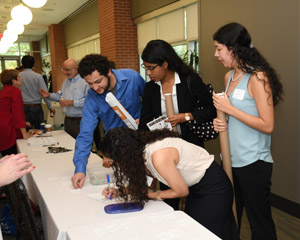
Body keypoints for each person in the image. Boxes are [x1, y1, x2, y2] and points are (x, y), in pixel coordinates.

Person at [101, 127, 238, 240]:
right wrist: (119, 191)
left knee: (207, 233)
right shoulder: (143, 151)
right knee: (194, 230)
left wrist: (155, 195)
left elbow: (181, 191)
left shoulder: (158, 156)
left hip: (213, 189)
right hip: (197, 188)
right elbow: (143, 186)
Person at [212, 22, 283, 240]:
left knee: (259, 224)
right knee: (231, 217)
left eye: (219, 49)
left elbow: (267, 125)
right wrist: (222, 122)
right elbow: (235, 117)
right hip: (230, 160)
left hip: (253, 163)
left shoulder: (258, 77)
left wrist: (230, 109)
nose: (216, 55)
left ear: (233, 48)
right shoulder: (229, 77)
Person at [138, 39, 216, 209]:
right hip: (165, 152)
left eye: (152, 68)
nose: (149, 73)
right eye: (146, 68)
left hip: (190, 149)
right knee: (170, 197)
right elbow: (144, 123)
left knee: (196, 199)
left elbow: (212, 109)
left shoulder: (189, 80)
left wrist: (186, 117)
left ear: (165, 64)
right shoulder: (150, 88)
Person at [71, 54, 145, 189]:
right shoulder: (92, 97)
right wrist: (80, 169)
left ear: (109, 72)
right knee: (125, 187)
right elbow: (86, 133)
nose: (94, 87)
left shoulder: (132, 78)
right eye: (90, 83)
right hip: (118, 148)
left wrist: (145, 118)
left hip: (142, 141)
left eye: (98, 81)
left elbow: (151, 101)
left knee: (146, 185)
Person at [39, 59, 89, 139]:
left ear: (76, 69)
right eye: (63, 69)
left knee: (82, 146)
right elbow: (60, 96)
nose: (65, 72)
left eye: (67, 70)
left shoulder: (85, 82)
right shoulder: (66, 82)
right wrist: (49, 95)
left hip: (81, 121)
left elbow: (89, 101)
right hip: (67, 120)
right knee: (69, 144)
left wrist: (72, 102)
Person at [0, 69, 31, 156]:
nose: (21, 78)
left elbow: (6, 112)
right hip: (10, 131)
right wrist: (24, 133)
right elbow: (18, 114)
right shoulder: (15, 91)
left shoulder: (3, 91)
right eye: (19, 77)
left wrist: (24, 123)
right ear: (14, 81)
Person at [19, 55, 55, 129]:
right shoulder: (38, 76)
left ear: (22, 64)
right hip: (36, 107)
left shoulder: (18, 76)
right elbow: (44, 93)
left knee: (25, 132)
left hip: (23, 107)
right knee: (40, 131)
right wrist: (50, 107)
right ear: (33, 64)